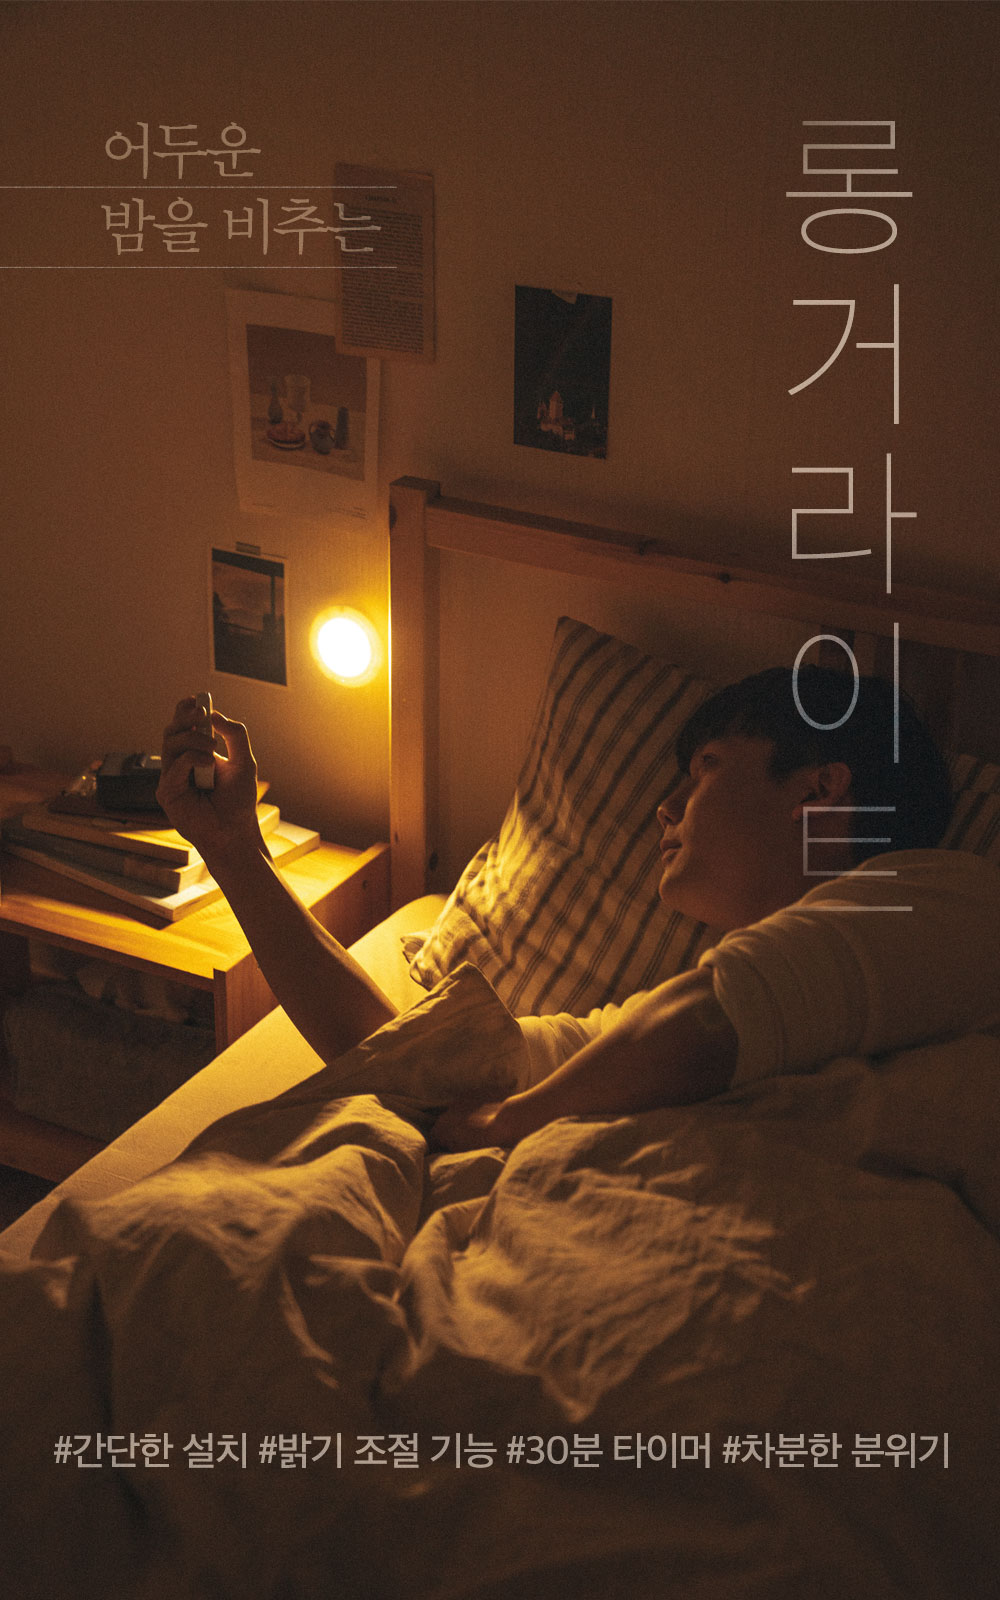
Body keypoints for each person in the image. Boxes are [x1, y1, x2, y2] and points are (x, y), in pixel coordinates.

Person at [158, 668, 1000, 1154]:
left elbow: (713, 1023)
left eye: (707, 769)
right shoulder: (642, 1032)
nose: (666, 809)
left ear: (818, 788)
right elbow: (411, 1063)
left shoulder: (949, 899)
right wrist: (235, 852)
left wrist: (509, 1124)